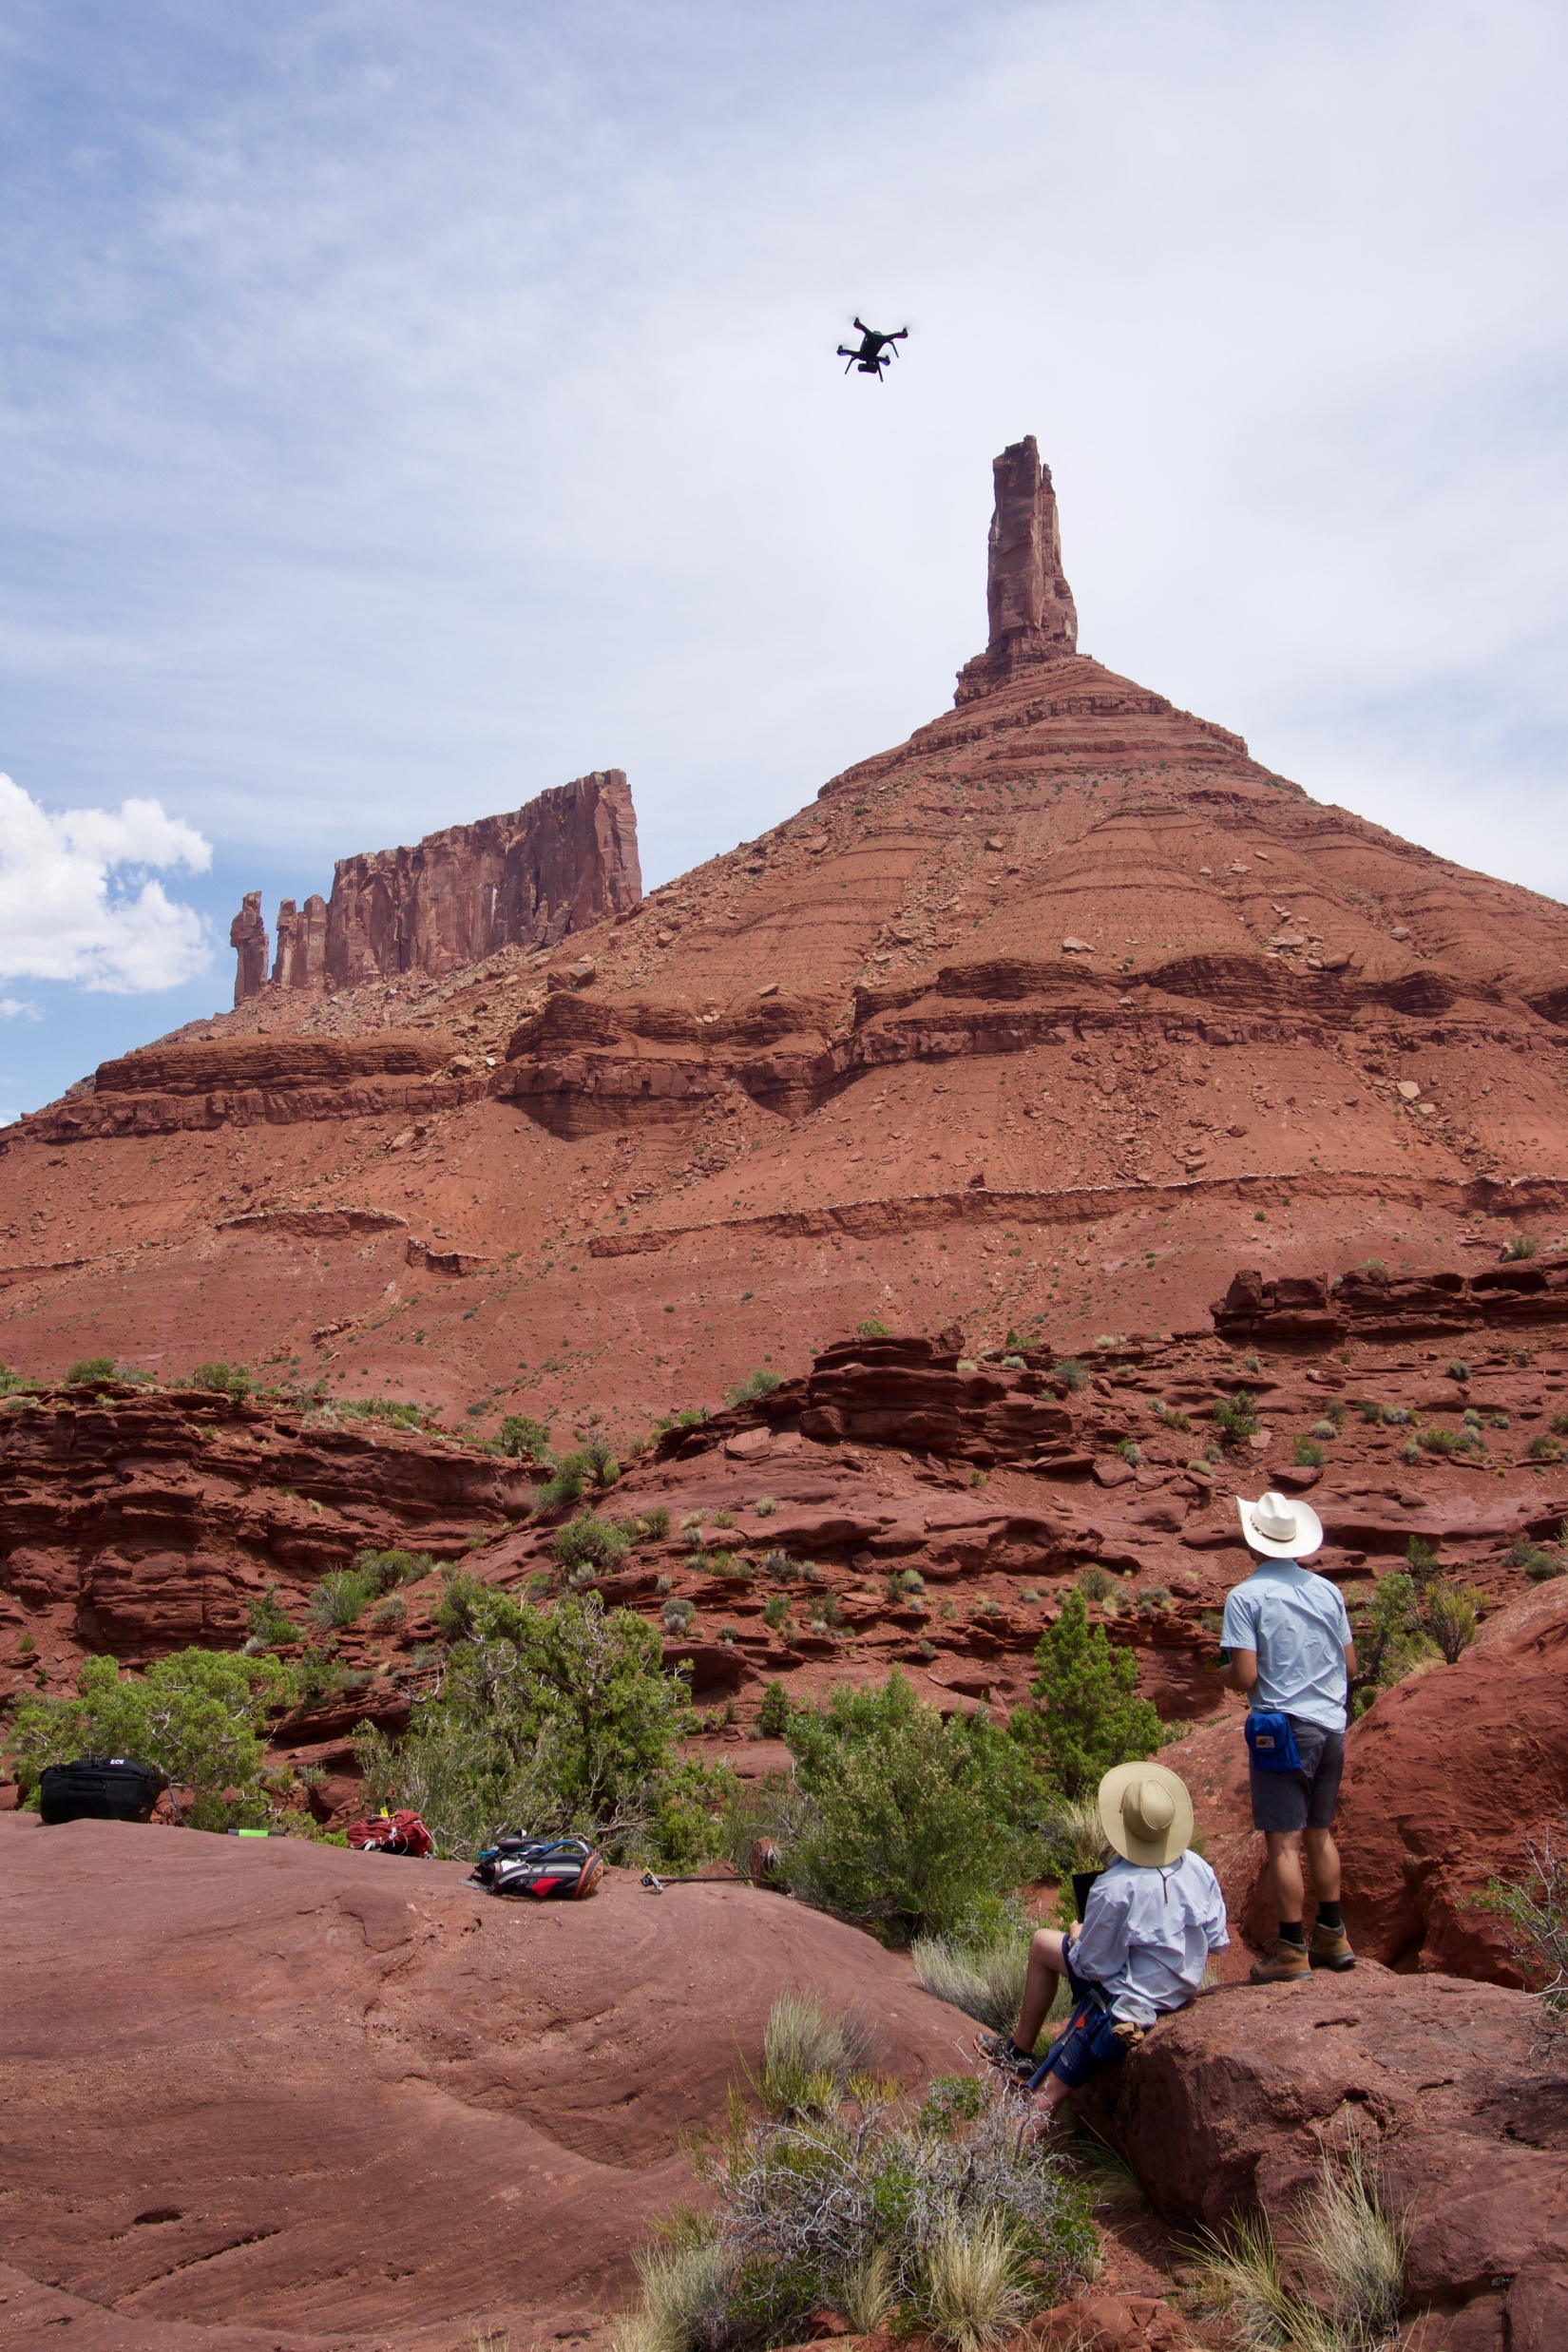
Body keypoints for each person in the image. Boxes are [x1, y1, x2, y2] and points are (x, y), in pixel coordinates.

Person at [976, 1761, 1228, 2137]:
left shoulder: (1115, 1886)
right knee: (1045, 1944)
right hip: (1180, 1985)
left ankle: (1013, 2097)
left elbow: (1092, 1965)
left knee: (1046, 2097)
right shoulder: (1197, 1866)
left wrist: (1079, 1933)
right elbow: (1217, 1939)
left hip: (1126, 2001)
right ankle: (1019, 2052)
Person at [1219, 1489, 1358, 1983]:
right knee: (1320, 1832)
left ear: (1254, 1542)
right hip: (1332, 1724)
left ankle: (1292, 1950)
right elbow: (1350, 1664)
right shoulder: (1328, 1591)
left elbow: (1246, 1676)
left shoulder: (1245, 1597)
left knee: (1283, 1841)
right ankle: (1334, 1935)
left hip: (1283, 1730)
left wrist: (1224, 1675)